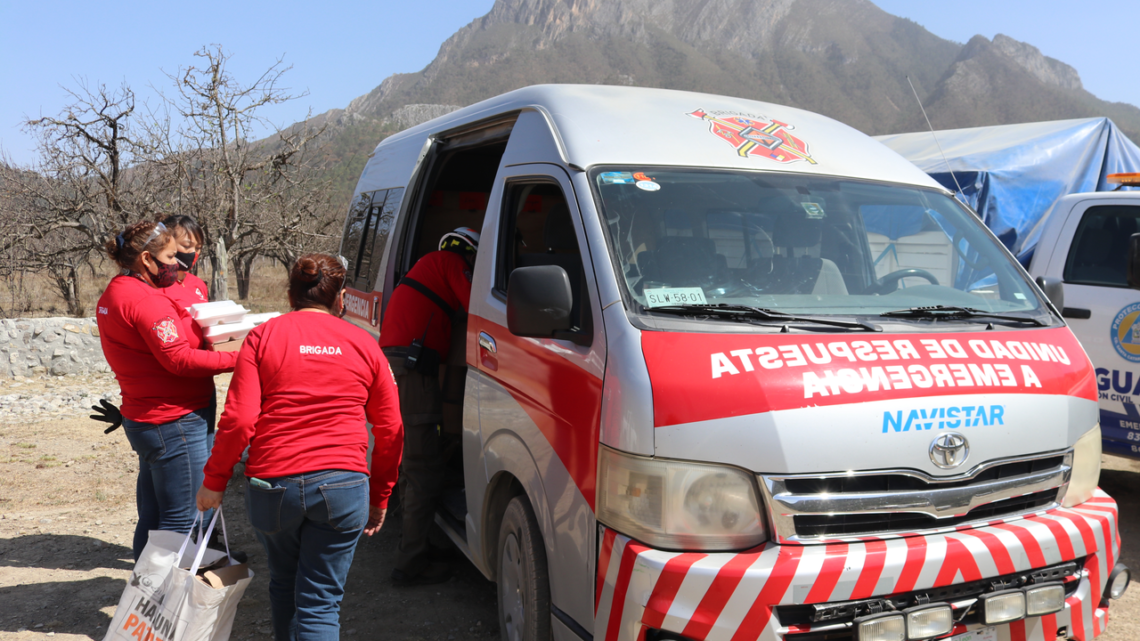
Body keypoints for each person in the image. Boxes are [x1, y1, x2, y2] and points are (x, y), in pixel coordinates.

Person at [196, 253, 403, 641]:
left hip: (273, 487)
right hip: (343, 486)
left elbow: (240, 419)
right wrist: (380, 495)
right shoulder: (364, 344)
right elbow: (390, 427)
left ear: (290, 296)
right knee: (320, 602)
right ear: (341, 299)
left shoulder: (264, 336)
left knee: (284, 583)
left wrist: (215, 479)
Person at [95, 221, 239, 560]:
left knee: (154, 513)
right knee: (182, 518)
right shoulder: (147, 301)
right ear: (147, 259)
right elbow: (178, 360)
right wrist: (242, 356)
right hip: (173, 420)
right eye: (171, 256)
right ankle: (162, 601)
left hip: (145, 417)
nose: (178, 264)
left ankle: (144, 592)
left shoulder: (115, 291)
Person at [378, 226, 478, 585]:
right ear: (470, 253)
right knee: (423, 465)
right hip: (411, 367)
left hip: (401, 365)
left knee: (412, 462)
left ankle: (416, 543)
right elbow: (477, 306)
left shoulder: (429, 265)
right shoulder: (451, 262)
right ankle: (410, 563)